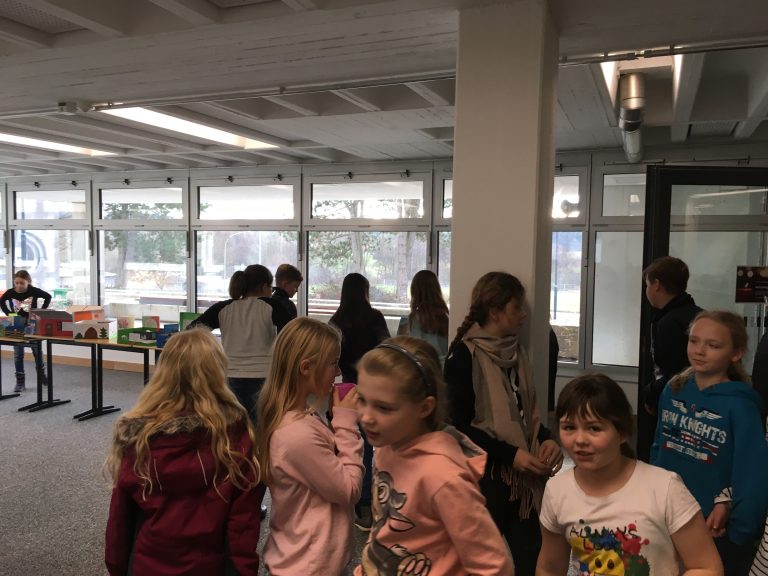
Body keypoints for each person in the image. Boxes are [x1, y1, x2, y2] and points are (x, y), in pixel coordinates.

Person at [104, 329, 264, 576]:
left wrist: (117, 569)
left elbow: (120, 523)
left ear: (163, 374)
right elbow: (242, 526)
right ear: (218, 373)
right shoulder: (235, 437)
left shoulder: (137, 439)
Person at [354, 336, 514, 575]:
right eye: (361, 400)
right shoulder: (387, 447)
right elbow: (383, 530)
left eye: (383, 408)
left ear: (424, 408)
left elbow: (494, 566)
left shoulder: (443, 477)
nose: (366, 417)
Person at [537, 373, 723, 576]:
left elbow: (707, 567)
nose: (580, 439)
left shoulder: (665, 488)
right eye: (569, 427)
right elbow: (549, 569)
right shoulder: (557, 490)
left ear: (623, 433)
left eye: (594, 428)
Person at [444, 271, 562, 575]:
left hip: (523, 480)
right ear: (495, 312)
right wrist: (511, 455)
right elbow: (458, 428)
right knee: (478, 563)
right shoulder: (464, 356)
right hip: (487, 477)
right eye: (516, 308)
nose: (524, 315)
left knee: (531, 559)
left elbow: (526, 414)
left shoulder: (516, 351)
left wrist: (546, 438)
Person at [651, 310, 768, 576]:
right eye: (694, 341)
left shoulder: (741, 406)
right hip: (665, 513)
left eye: (713, 345)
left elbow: (751, 474)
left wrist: (739, 532)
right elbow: (659, 447)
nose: (700, 351)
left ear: (736, 353)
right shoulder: (673, 389)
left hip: (712, 525)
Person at [255, 317, 363, 576]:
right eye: (333, 363)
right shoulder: (297, 434)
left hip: (304, 556)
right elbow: (349, 490)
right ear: (306, 368)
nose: (338, 371)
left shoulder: (300, 417)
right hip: (309, 565)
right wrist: (347, 424)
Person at [330, 272, 390, 530]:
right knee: (373, 443)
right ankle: (373, 500)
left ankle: (354, 499)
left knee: (349, 442)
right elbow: (387, 347)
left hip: (346, 387)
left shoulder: (336, 320)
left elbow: (333, 354)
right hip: (373, 386)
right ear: (365, 291)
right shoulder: (375, 317)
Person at [191, 264, 291, 418]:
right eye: (270, 287)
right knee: (261, 425)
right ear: (264, 286)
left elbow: (192, 330)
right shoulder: (272, 306)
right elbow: (292, 334)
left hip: (229, 377)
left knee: (234, 426)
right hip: (263, 377)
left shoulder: (223, 308)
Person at [640, 256, 702, 459]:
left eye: (647, 284)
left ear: (657, 285)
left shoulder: (669, 323)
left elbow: (673, 371)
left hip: (678, 402)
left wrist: (651, 394)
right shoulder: (698, 315)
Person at [0, 269, 51, 392]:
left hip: (32, 324)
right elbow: (2, 301)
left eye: (22, 283)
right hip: (16, 325)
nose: (19, 286)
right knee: (18, 354)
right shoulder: (11, 292)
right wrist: (9, 314)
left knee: (37, 351)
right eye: (16, 283)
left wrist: (40, 311)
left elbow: (48, 297)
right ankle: (20, 381)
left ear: (28, 281)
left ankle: (42, 375)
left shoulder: (34, 291)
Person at [397, 269, 449, 366]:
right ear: (437, 289)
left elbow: (403, 352)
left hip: (421, 369)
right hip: (445, 368)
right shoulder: (447, 317)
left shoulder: (411, 320)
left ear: (414, 291)